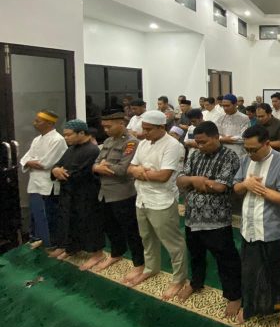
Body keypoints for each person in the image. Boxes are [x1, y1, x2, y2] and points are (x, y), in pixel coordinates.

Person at [175, 121, 242, 317]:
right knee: (195, 254)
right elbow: (180, 180)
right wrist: (197, 181)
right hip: (192, 217)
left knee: (226, 260)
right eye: (197, 142)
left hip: (216, 220)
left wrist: (194, 182)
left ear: (216, 137)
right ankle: (196, 283)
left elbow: (221, 187)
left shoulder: (230, 156)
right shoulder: (195, 154)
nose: (200, 146)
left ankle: (234, 295)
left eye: (204, 142)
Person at [233, 125, 280, 327]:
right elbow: (236, 187)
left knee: (276, 273)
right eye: (246, 149)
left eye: (253, 149)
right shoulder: (246, 160)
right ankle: (251, 305)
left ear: (267, 143)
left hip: (271, 229)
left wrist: (257, 188)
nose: (250, 153)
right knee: (249, 271)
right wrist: (245, 185)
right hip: (248, 227)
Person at [127, 110, 188, 300]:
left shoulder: (173, 145)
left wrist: (140, 172)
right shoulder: (143, 143)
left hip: (162, 200)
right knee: (146, 237)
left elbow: (163, 176)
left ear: (161, 127)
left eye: (148, 129)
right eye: (143, 129)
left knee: (172, 242)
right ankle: (151, 268)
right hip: (142, 198)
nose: (144, 133)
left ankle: (179, 279)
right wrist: (141, 172)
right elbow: (130, 168)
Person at [91, 112, 144, 280]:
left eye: (109, 126)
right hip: (105, 193)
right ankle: (116, 253)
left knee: (131, 231)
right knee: (110, 226)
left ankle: (139, 264)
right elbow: (95, 164)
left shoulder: (131, 143)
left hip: (123, 193)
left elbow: (122, 169)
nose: (106, 130)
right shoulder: (108, 141)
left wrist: (103, 166)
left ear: (121, 123)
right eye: (104, 127)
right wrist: (99, 167)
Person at [48, 119, 104, 271]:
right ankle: (71, 248)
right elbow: (58, 164)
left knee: (89, 223)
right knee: (70, 221)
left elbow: (82, 172)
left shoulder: (92, 150)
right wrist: (55, 170)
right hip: (69, 192)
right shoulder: (71, 149)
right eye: (65, 135)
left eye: (69, 135)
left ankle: (97, 254)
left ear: (81, 133)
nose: (66, 138)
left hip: (86, 193)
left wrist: (61, 173)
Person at [20, 110, 67, 249]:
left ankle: (52, 243)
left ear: (49, 123)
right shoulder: (37, 139)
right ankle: (39, 238)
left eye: (38, 121)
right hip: (34, 183)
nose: (34, 123)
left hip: (48, 184)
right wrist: (30, 162)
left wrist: (31, 162)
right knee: (36, 213)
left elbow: (46, 163)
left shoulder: (57, 140)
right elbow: (24, 159)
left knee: (49, 215)